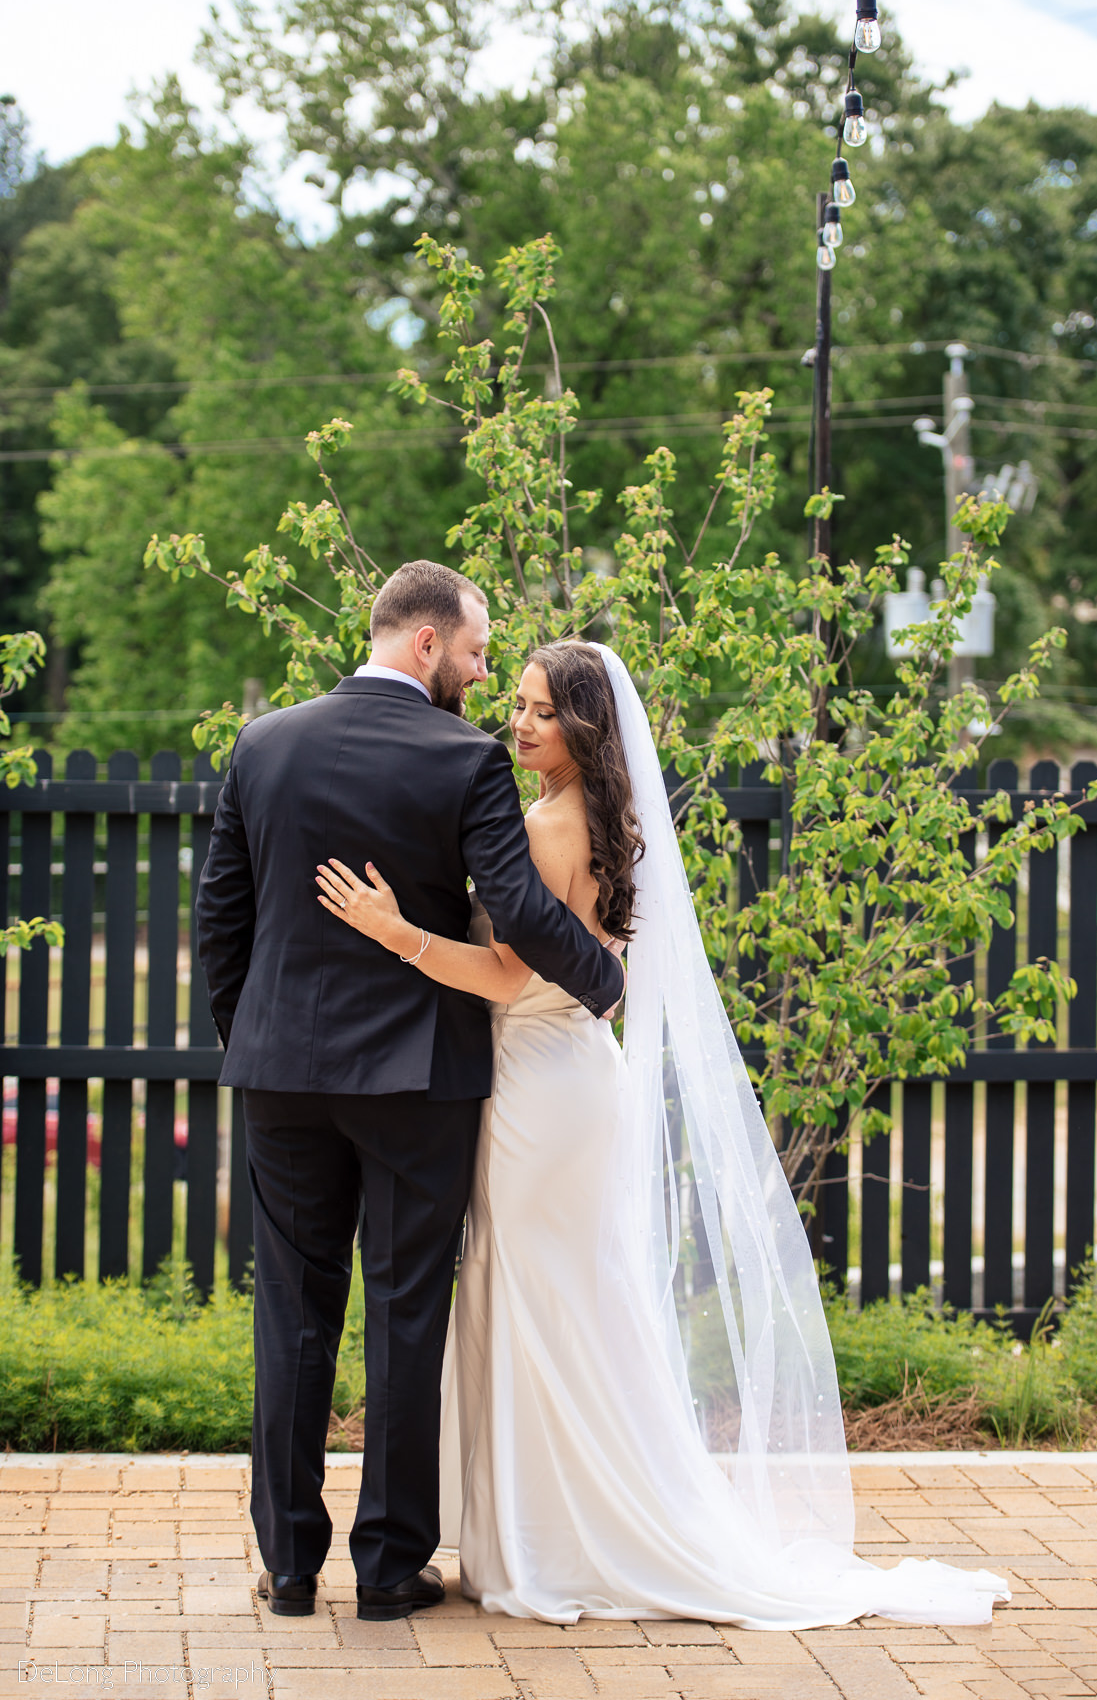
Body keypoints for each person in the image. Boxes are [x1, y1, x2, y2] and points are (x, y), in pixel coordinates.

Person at [316, 639, 1012, 1630]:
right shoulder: (594, 818)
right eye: (515, 705)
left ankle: (560, 1541)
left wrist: (397, 934)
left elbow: (514, 977)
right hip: (562, 1076)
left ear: (585, 727)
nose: (519, 724)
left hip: (538, 1087)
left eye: (541, 712)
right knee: (558, 1300)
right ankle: (541, 1530)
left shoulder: (555, 825)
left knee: (542, 1303)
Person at [195, 564, 624, 1627]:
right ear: (427, 644)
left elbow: (221, 920)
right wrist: (604, 977)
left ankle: (289, 1567)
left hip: (284, 1074)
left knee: (293, 1314)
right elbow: (519, 904)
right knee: (405, 1311)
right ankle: (390, 1567)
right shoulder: (463, 756)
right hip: (418, 1078)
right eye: (478, 655)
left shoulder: (263, 743)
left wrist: (256, 1040)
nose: (482, 679)